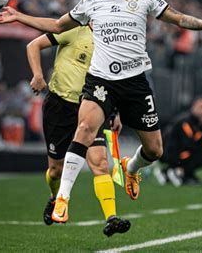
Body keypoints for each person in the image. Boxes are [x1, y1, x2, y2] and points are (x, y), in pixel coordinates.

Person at [0, 0, 202, 223]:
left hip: (135, 84)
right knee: (84, 129)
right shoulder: (89, 2)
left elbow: (178, 18)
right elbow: (57, 25)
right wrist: (19, 16)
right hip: (101, 82)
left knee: (155, 150)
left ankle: (130, 169)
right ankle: (62, 199)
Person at [26, 26, 130, 236]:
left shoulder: (114, 40)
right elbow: (33, 45)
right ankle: (56, 198)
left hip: (92, 107)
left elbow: (116, 79)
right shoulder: (72, 29)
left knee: (100, 163)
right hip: (60, 107)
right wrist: (37, 75)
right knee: (56, 170)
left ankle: (111, 218)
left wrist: (115, 112)